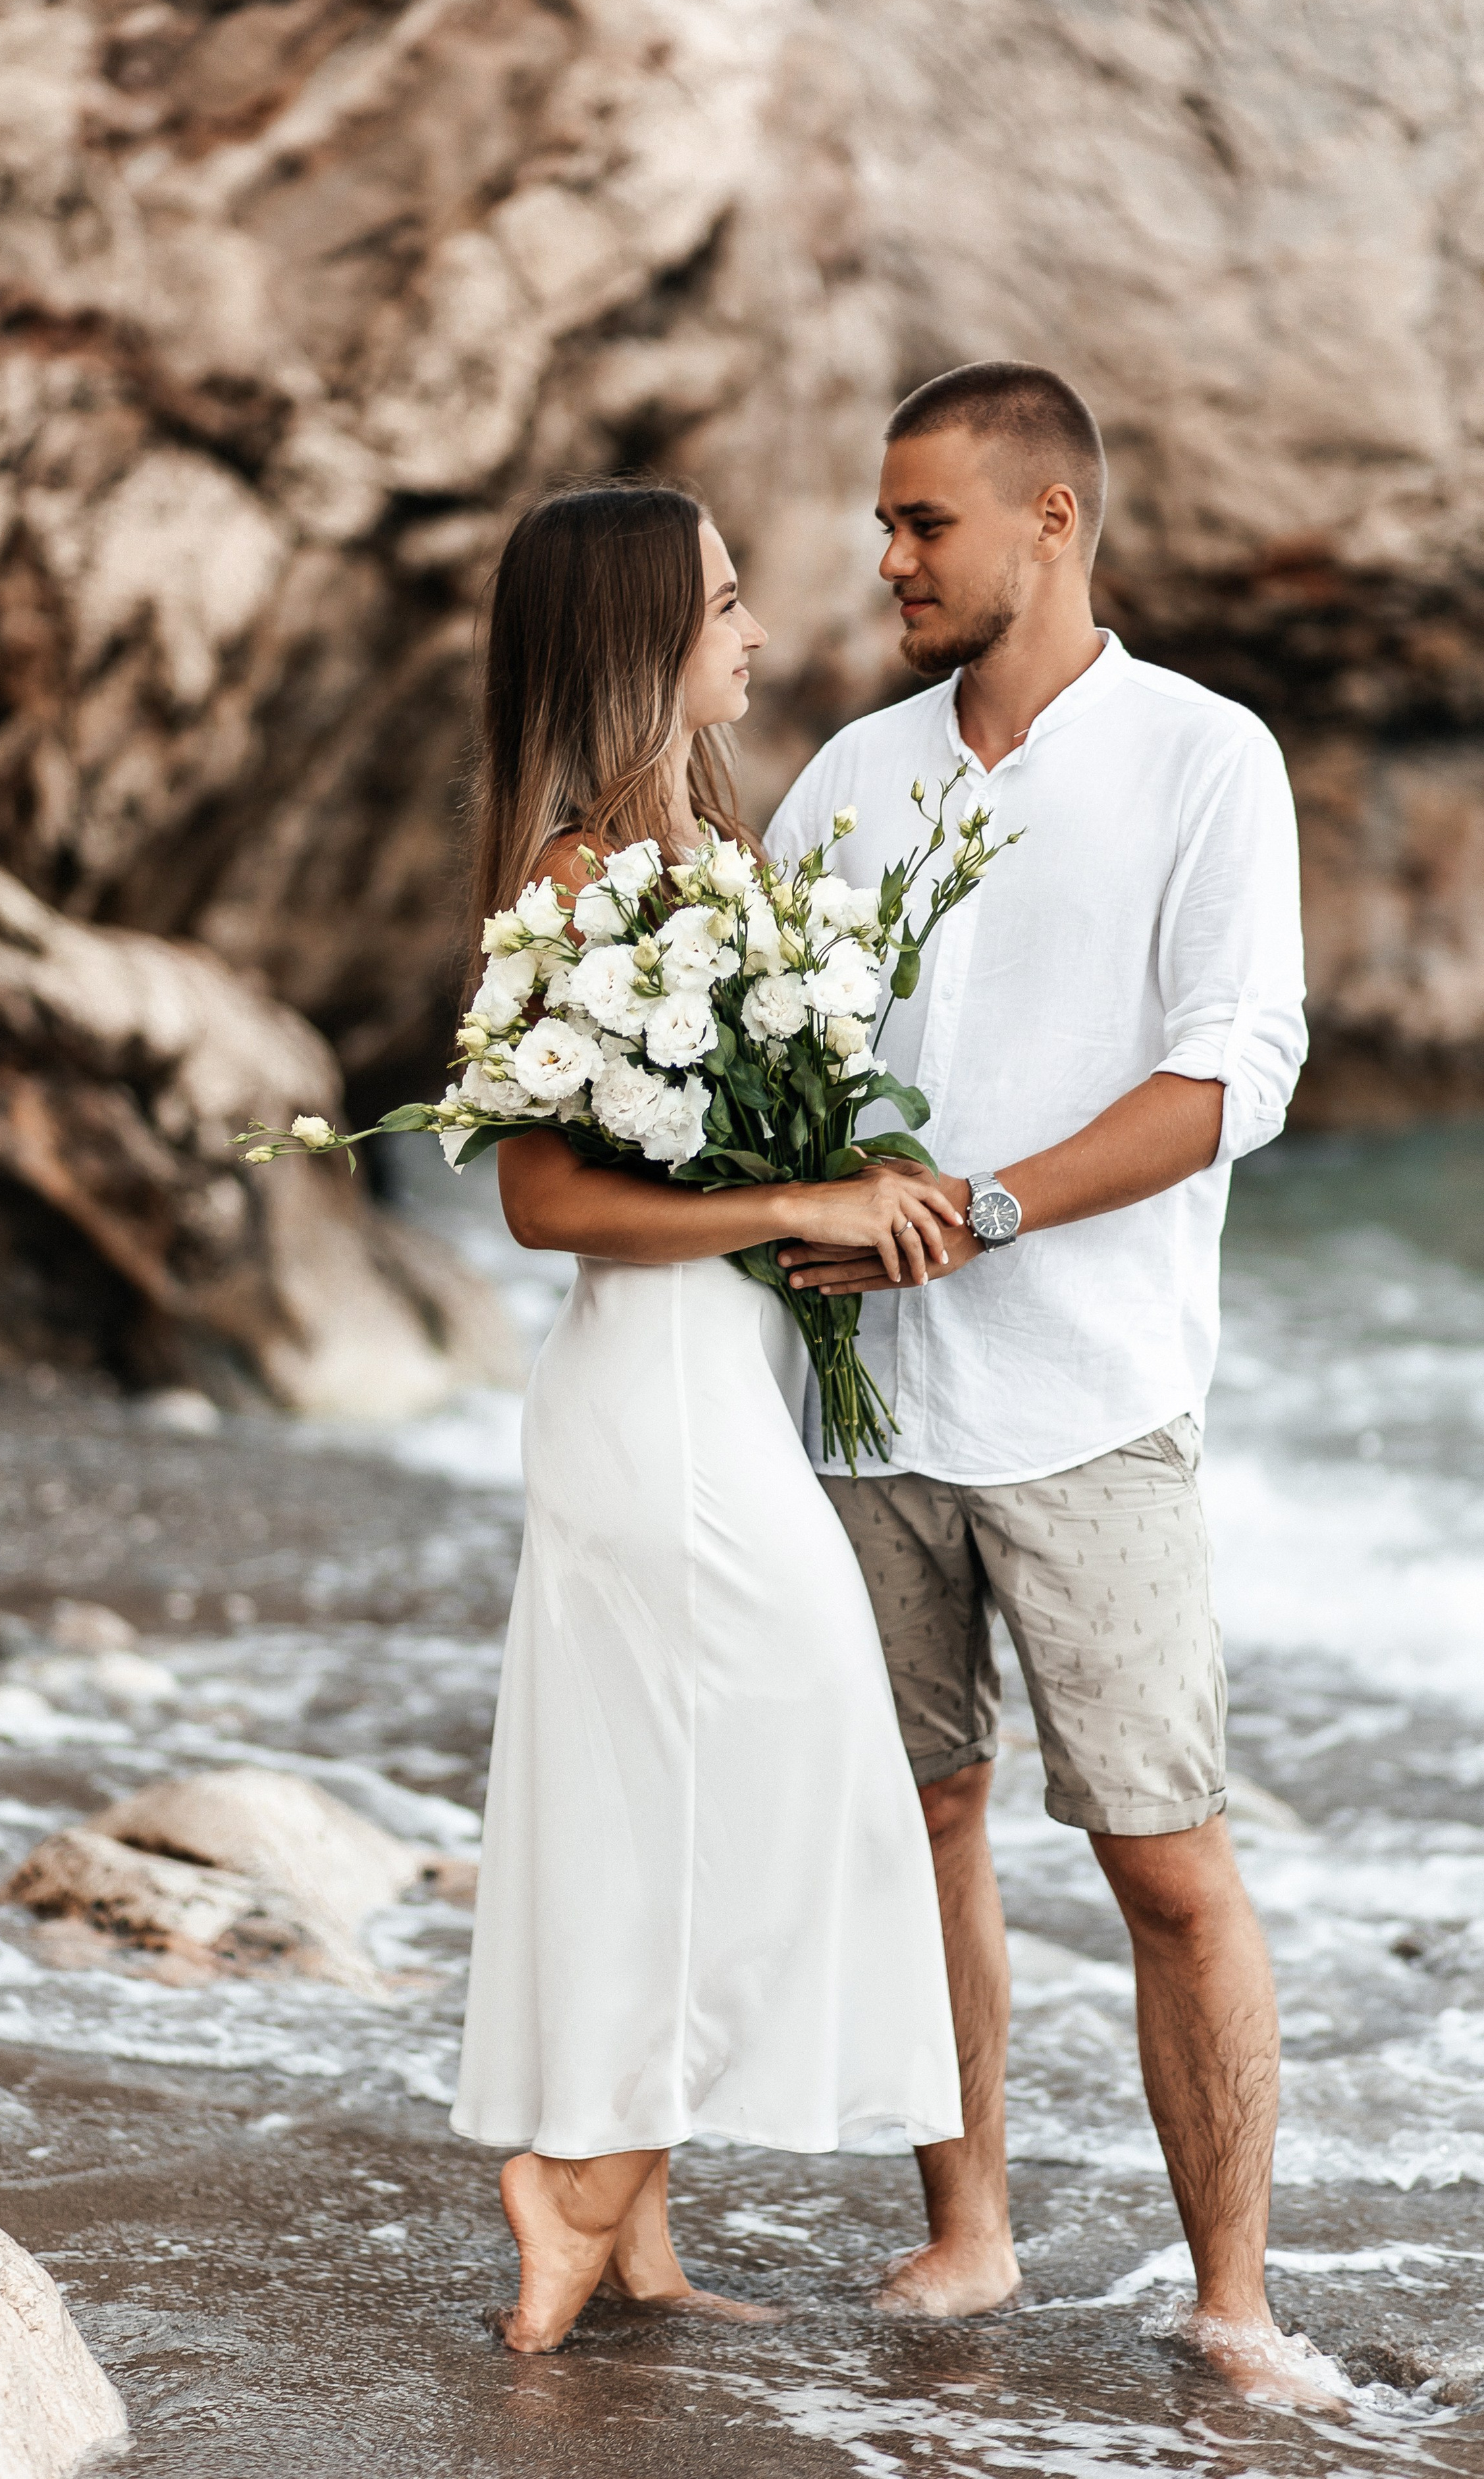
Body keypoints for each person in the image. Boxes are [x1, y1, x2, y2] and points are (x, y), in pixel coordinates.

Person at [765, 363, 1319, 2400]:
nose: (891, 558)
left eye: (926, 524)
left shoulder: (1204, 758)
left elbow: (1232, 1077)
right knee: (923, 1817)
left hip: (1089, 1401)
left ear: (1053, 518)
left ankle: (1235, 2295)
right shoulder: (847, 773)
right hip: (862, 1404)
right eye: (887, 526)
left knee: (1166, 1857)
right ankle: (967, 2231)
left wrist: (984, 1206)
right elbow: (775, 1061)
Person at [449, 483, 964, 2353]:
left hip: (716, 1381)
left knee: (651, 1792)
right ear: (642, 637)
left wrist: (857, 1192)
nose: (756, 632)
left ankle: (636, 2219)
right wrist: (796, 1206)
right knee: (802, 1740)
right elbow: (540, 1204)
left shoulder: (710, 871)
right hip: (647, 1395)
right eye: (727, 603)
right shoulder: (574, 880)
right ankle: (575, 2176)